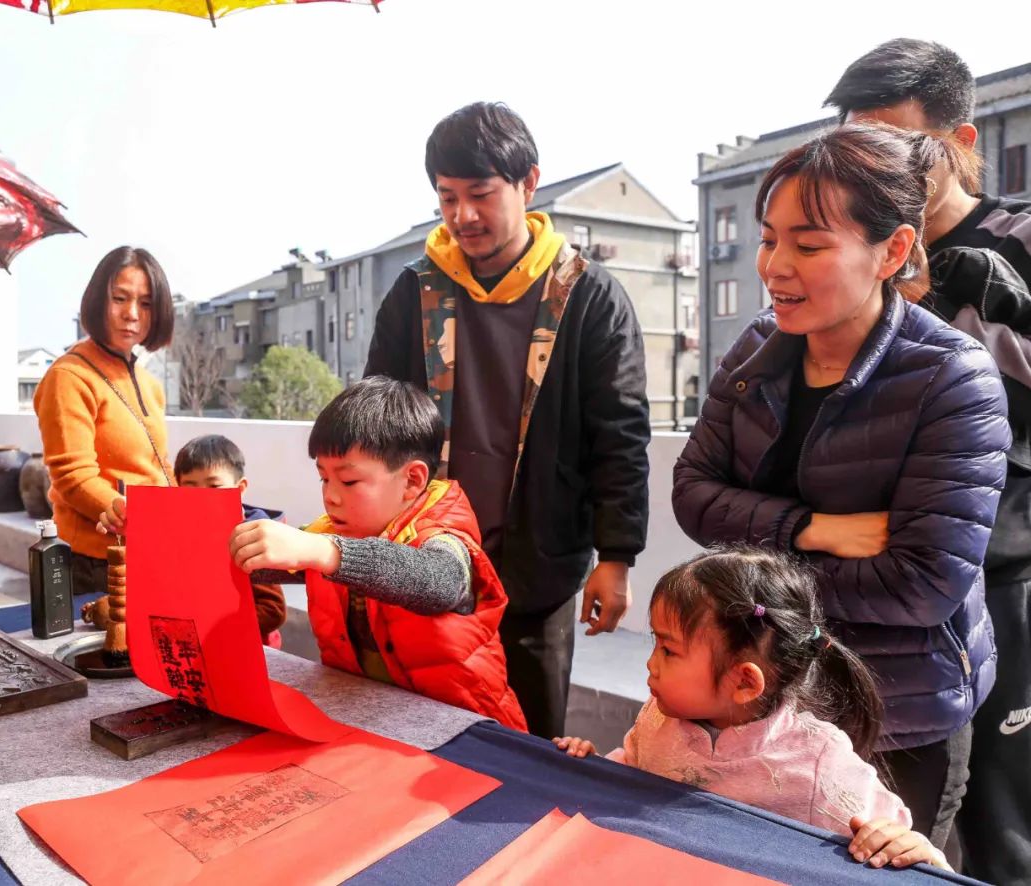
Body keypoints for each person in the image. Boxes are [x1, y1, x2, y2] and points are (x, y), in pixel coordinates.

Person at [671, 123, 1010, 856]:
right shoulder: (757, 347)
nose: (775, 267)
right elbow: (692, 493)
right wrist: (811, 527)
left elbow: (923, 585)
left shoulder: (953, 377)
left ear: (892, 250)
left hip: (895, 719)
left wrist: (754, 593)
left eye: (809, 245)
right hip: (765, 707)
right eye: (769, 240)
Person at [364, 101, 650, 738]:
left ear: (528, 184)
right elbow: (376, 418)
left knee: (530, 736)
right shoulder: (416, 291)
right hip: (429, 559)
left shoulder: (586, 295)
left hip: (539, 563)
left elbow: (620, 432)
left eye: (480, 193)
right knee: (422, 732)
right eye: (448, 197)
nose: (463, 215)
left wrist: (617, 555)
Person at [826, 41, 1031, 878]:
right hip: (881, 581)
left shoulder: (1017, 240)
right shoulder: (856, 250)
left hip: (1004, 576)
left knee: (1003, 823)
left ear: (962, 142)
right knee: (875, 823)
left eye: (897, 143)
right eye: (858, 143)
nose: (877, 163)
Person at [554, 547, 950, 871]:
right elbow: (632, 774)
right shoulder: (659, 716)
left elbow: (898, 851)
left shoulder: (819, 763)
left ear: (745, 682)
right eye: (654, 644)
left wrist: (918, 851)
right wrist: (595, 766)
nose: (650, 664)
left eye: (669, 650)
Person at [227, 376, 527, 730]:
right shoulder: (330, 535)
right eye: (324, 478)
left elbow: (438, 582)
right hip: (376, 721)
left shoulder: (444, 537)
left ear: (412, 480)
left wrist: (325, 552)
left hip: (469, 729)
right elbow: (259, 563)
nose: (331, 496)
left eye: (348, 481)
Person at [34, 246, 175, 596]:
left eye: (146, 303)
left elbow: (158, 465)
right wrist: (132, 516)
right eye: (119, 298)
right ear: (98, 300)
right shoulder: (69, 376)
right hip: (95, 561)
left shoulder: (149, 383)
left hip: (150, 549)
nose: (132, 314)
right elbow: (73, 476)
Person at [173, 435, 286, 647]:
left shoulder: (252, 540)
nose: (202, 498)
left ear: (240, 488)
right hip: (200, 644)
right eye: (190, 487)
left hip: (252, 650)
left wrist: (216, 628)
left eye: (214, 486)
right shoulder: (182, 532)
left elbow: (273, 609)